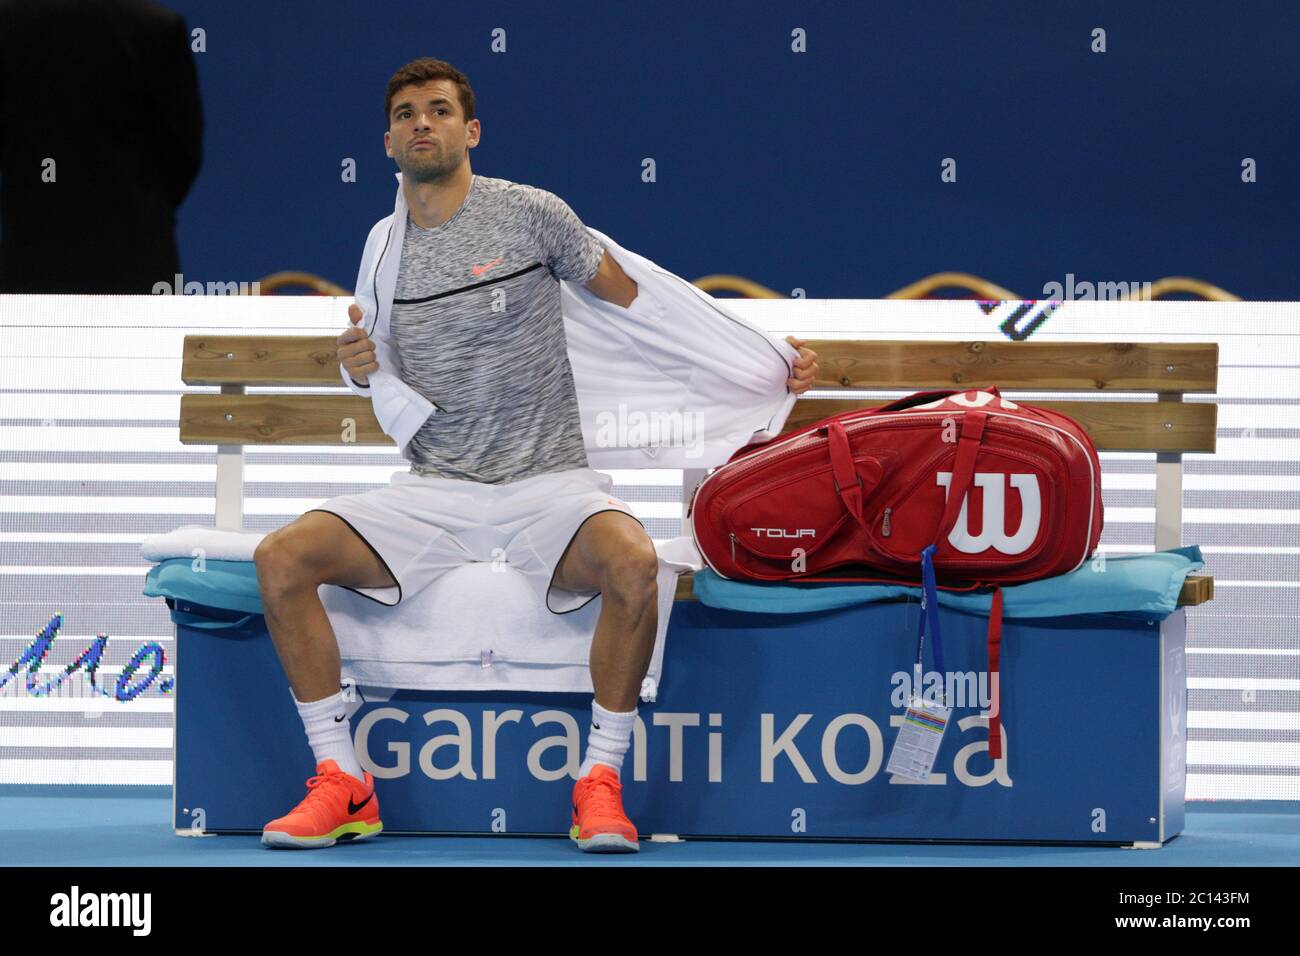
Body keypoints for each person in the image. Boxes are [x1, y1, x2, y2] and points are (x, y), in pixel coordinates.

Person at [254, 57, 818, 853]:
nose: (423, 122)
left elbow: (644, 303)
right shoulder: (381, 245)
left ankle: (600, 781)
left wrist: (754, 353)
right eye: (408, 112)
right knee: (280, 559)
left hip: (552, 484)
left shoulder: (531, 214)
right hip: (436, 488)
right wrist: (357, 367)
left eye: (440, 109)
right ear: (387, 142)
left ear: (469, 130)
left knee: (630, 563)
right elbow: (377, 366)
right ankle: (342, 780)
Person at [0, 0, 202, 292]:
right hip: (139, 260)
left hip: (29, 252)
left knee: (28, 339)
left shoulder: (8, 21)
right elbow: (184, 151)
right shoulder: (158, 26)